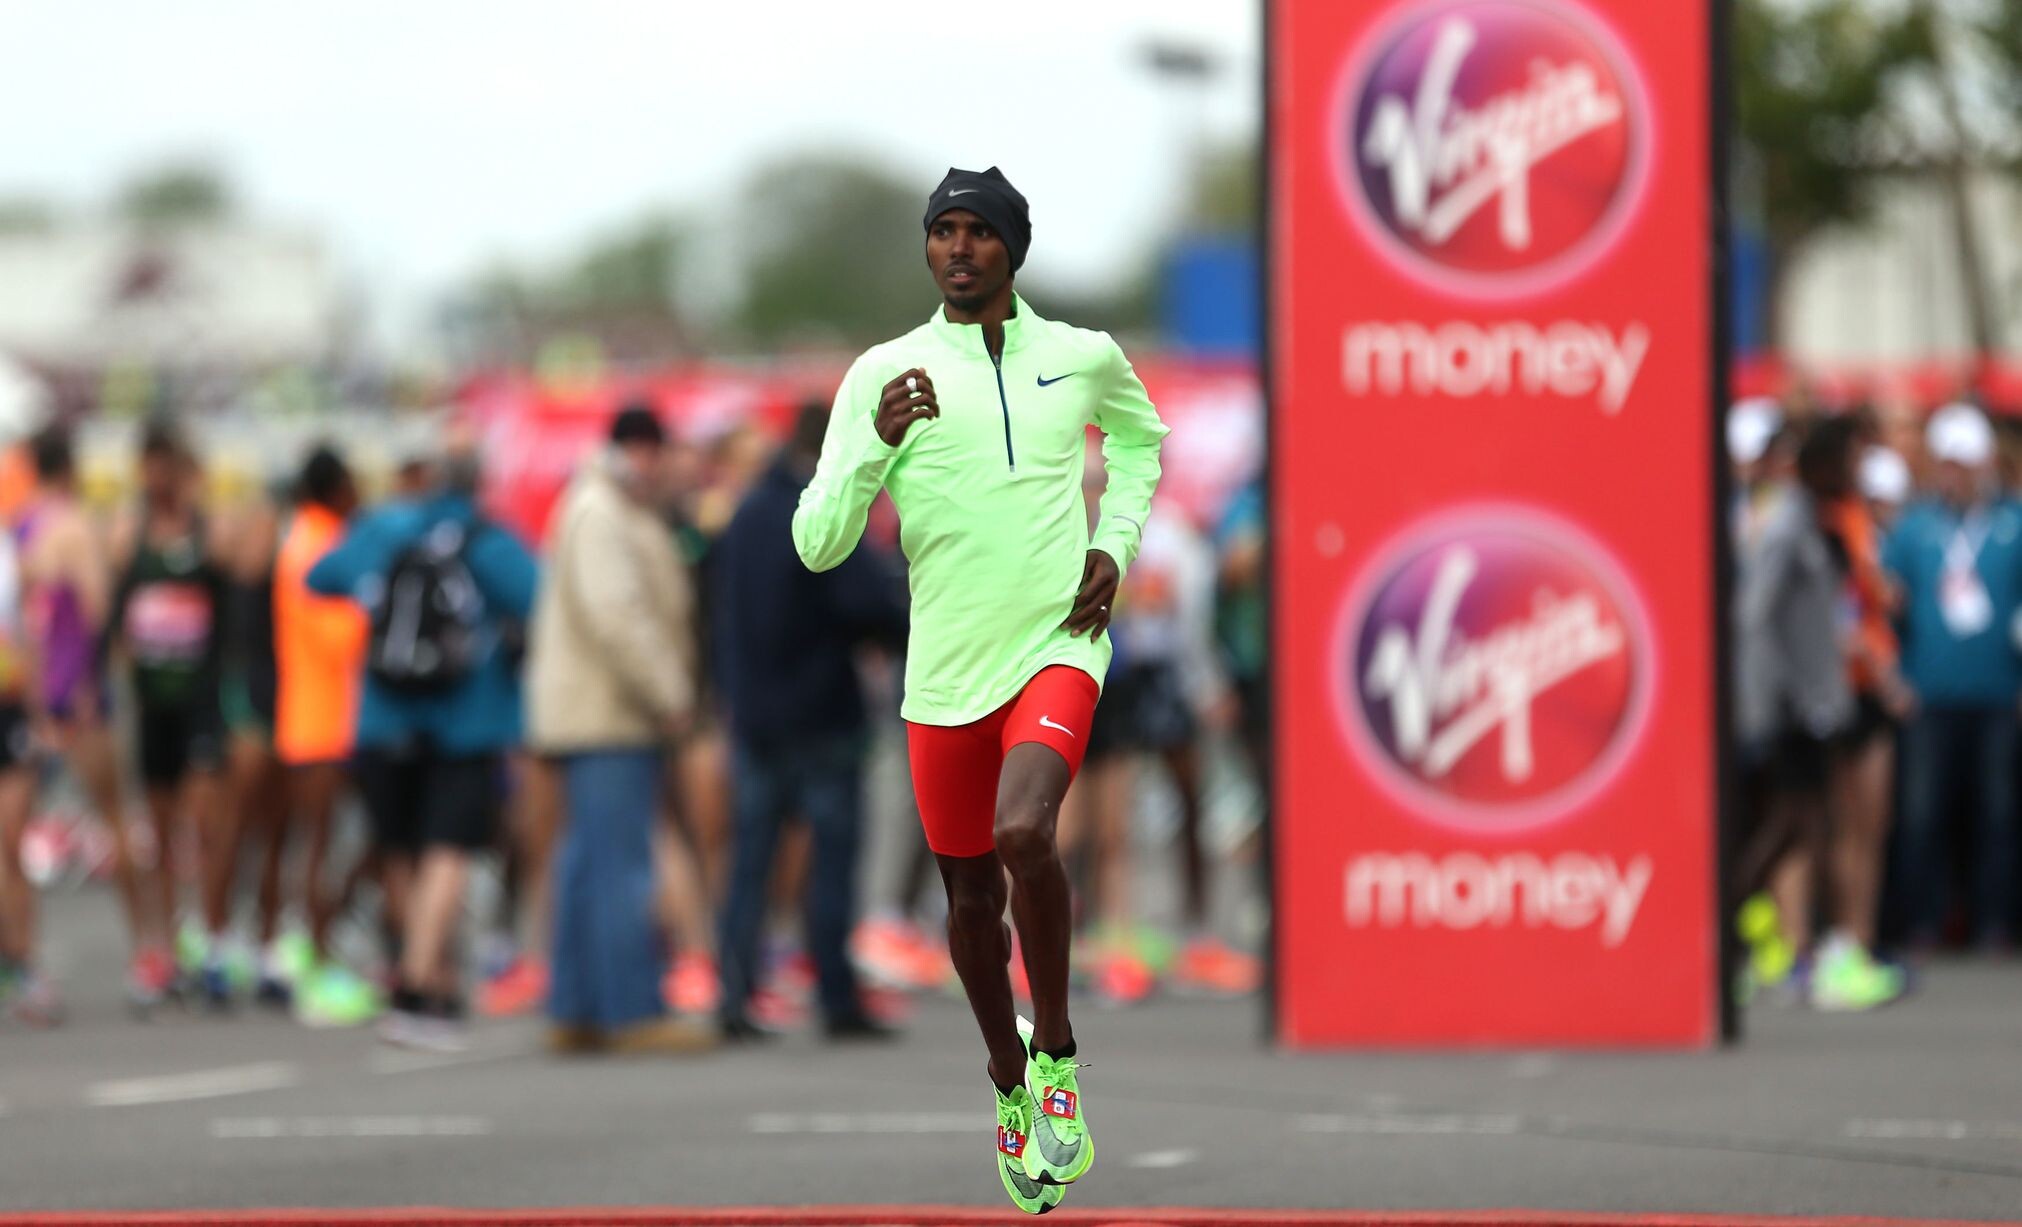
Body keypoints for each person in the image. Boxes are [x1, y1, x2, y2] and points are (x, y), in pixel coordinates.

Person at [793, 166, 1167, 1214]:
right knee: (969, 901)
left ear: (1013, 249)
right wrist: (874, 443)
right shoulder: (884, 373)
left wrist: (1114, 543)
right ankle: (1007, 1074)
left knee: (1025, 833)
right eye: (942, 231)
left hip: (1059, 644)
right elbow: (817, 542)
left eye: (978, 232)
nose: (958, 248)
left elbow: (1142, 442)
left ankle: (1058, 1052)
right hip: (944, 677)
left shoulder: (1082, 355)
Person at [310, 432, 538, 1052]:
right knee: (448, 852)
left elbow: (319, 577)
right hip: (465, 722)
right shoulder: (487, 539)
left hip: (382, 718)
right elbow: (539, 596)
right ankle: (418, 984)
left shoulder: (382, 530)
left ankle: (427, 977)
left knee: (399, 851)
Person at [714, 402, 909, 1042]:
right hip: (823, 715)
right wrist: (901, 625)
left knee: (752, 864)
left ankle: (734, 992)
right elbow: (867, 601)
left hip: (757, 717)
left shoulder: (747, 514)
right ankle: (835, 994)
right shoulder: (824, 507)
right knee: (831, 863)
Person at [525, 405, 714, 1055]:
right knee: (622, 868)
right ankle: (633, 1009)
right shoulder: (603, 511)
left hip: (596, 714)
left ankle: (578, 1007)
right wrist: (670, 694)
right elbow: (619, 617)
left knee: (589, 864)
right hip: (609, 715)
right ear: (643, 451)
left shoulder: (600, 505)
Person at [18, 426, 161, 1006]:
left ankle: (138, 950)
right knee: (113, 817)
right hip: (66, 695)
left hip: (47, 694)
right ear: (71, 468)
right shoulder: (67, 527)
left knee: (33, 828)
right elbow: (97, 613)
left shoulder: (31, 528)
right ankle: (144, 949)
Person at [1883, 403, 2022, 953]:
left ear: (1985, 463)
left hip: (1998, 696)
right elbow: (1884, 609)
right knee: (1922, 815)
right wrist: (1894, 678)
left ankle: (1995, 923)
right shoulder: (1914, 528)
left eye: (1964, 464)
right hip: (1928, 696)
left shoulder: (2013, 523)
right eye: (1947, 464)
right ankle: (1923, 923)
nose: (1955, 475)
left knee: (1998, 814)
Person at [105, 420, 234, 1006]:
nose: (158, 477)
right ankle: (163, 946)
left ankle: (208, 940)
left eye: (168, 466)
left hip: (200, 702)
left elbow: (237, 586)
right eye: (149, 465)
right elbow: (114, 621)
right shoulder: (129, 533)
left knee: (201, 828)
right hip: (153, 704)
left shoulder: (209, 532)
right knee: (157, 834)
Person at [1732, 416, 1859, 1001]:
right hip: (1792, 710)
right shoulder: (1786, 527)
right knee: (1796, 827)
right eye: (1850, 461)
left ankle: (1749, 937)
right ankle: (1739, 934)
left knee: (1800, 829)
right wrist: (1776, 702)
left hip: (1811, 704)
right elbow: (1756, 618)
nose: (1856, 472)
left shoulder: (1810, 520)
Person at [273, 446, 377, 1026]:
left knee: (335, 844)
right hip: (323, 720)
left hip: (322, 716)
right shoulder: (317, 544)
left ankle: (321, 945)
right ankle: (315, 964)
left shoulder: (310, 536)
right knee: (319, 846)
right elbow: (342, 636)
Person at [0, 507, 57, 1025]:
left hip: (9, 712)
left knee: (11, 842)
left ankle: (24, 966)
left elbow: (31, 636)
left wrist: (40, 717)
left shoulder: (10, 552)